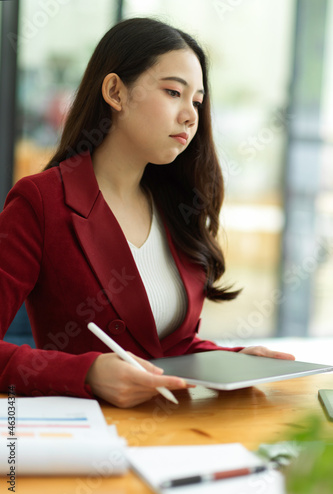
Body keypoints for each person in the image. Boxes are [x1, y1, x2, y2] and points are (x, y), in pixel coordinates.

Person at [0, 17, 294, 408]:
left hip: (177, 430)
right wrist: (86, 373)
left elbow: (168, 344)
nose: (190, 115)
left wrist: (230, 361)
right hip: (90, 437)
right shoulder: (40, 201)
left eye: (197, 101)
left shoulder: (174, 203)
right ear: (115, 92)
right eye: (174, 92)